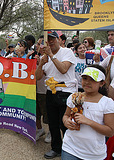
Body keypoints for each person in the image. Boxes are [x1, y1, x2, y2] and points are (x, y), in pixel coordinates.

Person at [35, 31, 76, 159]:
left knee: (64, 123)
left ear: (59, 39)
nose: (50, 42)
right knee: (52, 123)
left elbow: (63, 69)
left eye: (53, 39)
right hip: (50, 92)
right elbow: (37, 77)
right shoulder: (45, 57)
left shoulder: (67, 52)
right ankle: (56, 148)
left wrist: (51, 55)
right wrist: (41, 63)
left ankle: (70, 149)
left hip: (65, 92)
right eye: (48, 40)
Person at [62, 65, 114, 160]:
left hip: (94, 154)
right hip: (70, 149)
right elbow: (66, 115)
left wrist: (88, 121)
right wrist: (66, 122)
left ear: (101, 83)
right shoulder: (74, 97)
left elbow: (110, 131)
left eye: (93, 79)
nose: (87, 82)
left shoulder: (107, 103)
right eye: (85, 78)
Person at [35, 36, 51, 143]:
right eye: (39, 44)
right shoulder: (35, 58)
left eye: (43, 44)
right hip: (35, 90)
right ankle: (40, 130)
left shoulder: (51, 59)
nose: (41, 47)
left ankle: (50, 131)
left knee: (48, 115)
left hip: (46, 92)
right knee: (36, 113)